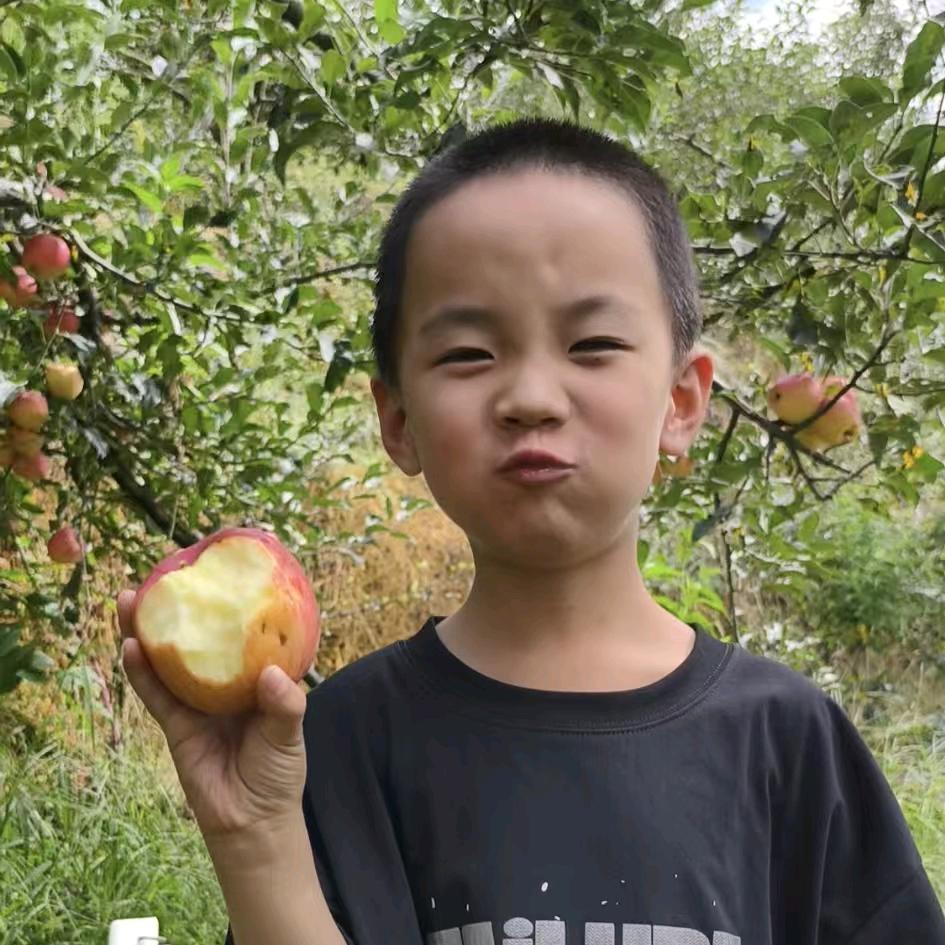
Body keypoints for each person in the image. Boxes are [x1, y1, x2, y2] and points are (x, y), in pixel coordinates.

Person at [117, 116, 945, 945]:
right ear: (398, 417)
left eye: (592, 343)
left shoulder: (790, 741)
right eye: (470, 353)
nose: (532, 396)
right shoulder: (334, 743)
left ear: (682, 401)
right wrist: (253, 839)